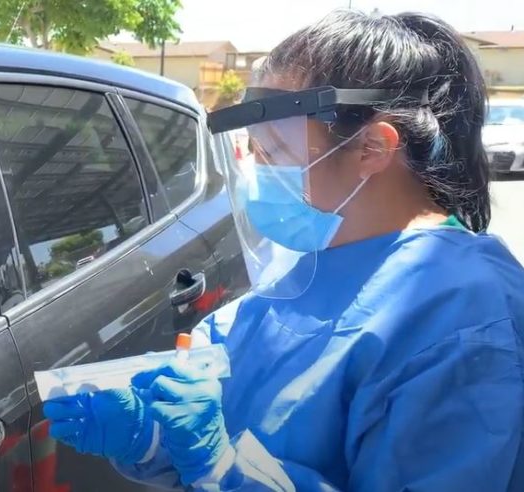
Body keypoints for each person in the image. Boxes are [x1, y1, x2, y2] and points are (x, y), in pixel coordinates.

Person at [44, 10, 524, 491]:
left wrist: (224, 469)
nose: (257, 173)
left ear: (373, 148)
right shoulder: (315, 260)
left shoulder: (465, 318)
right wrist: (152, 439)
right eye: (254, 150)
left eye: (274, 152)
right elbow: (229, 424)